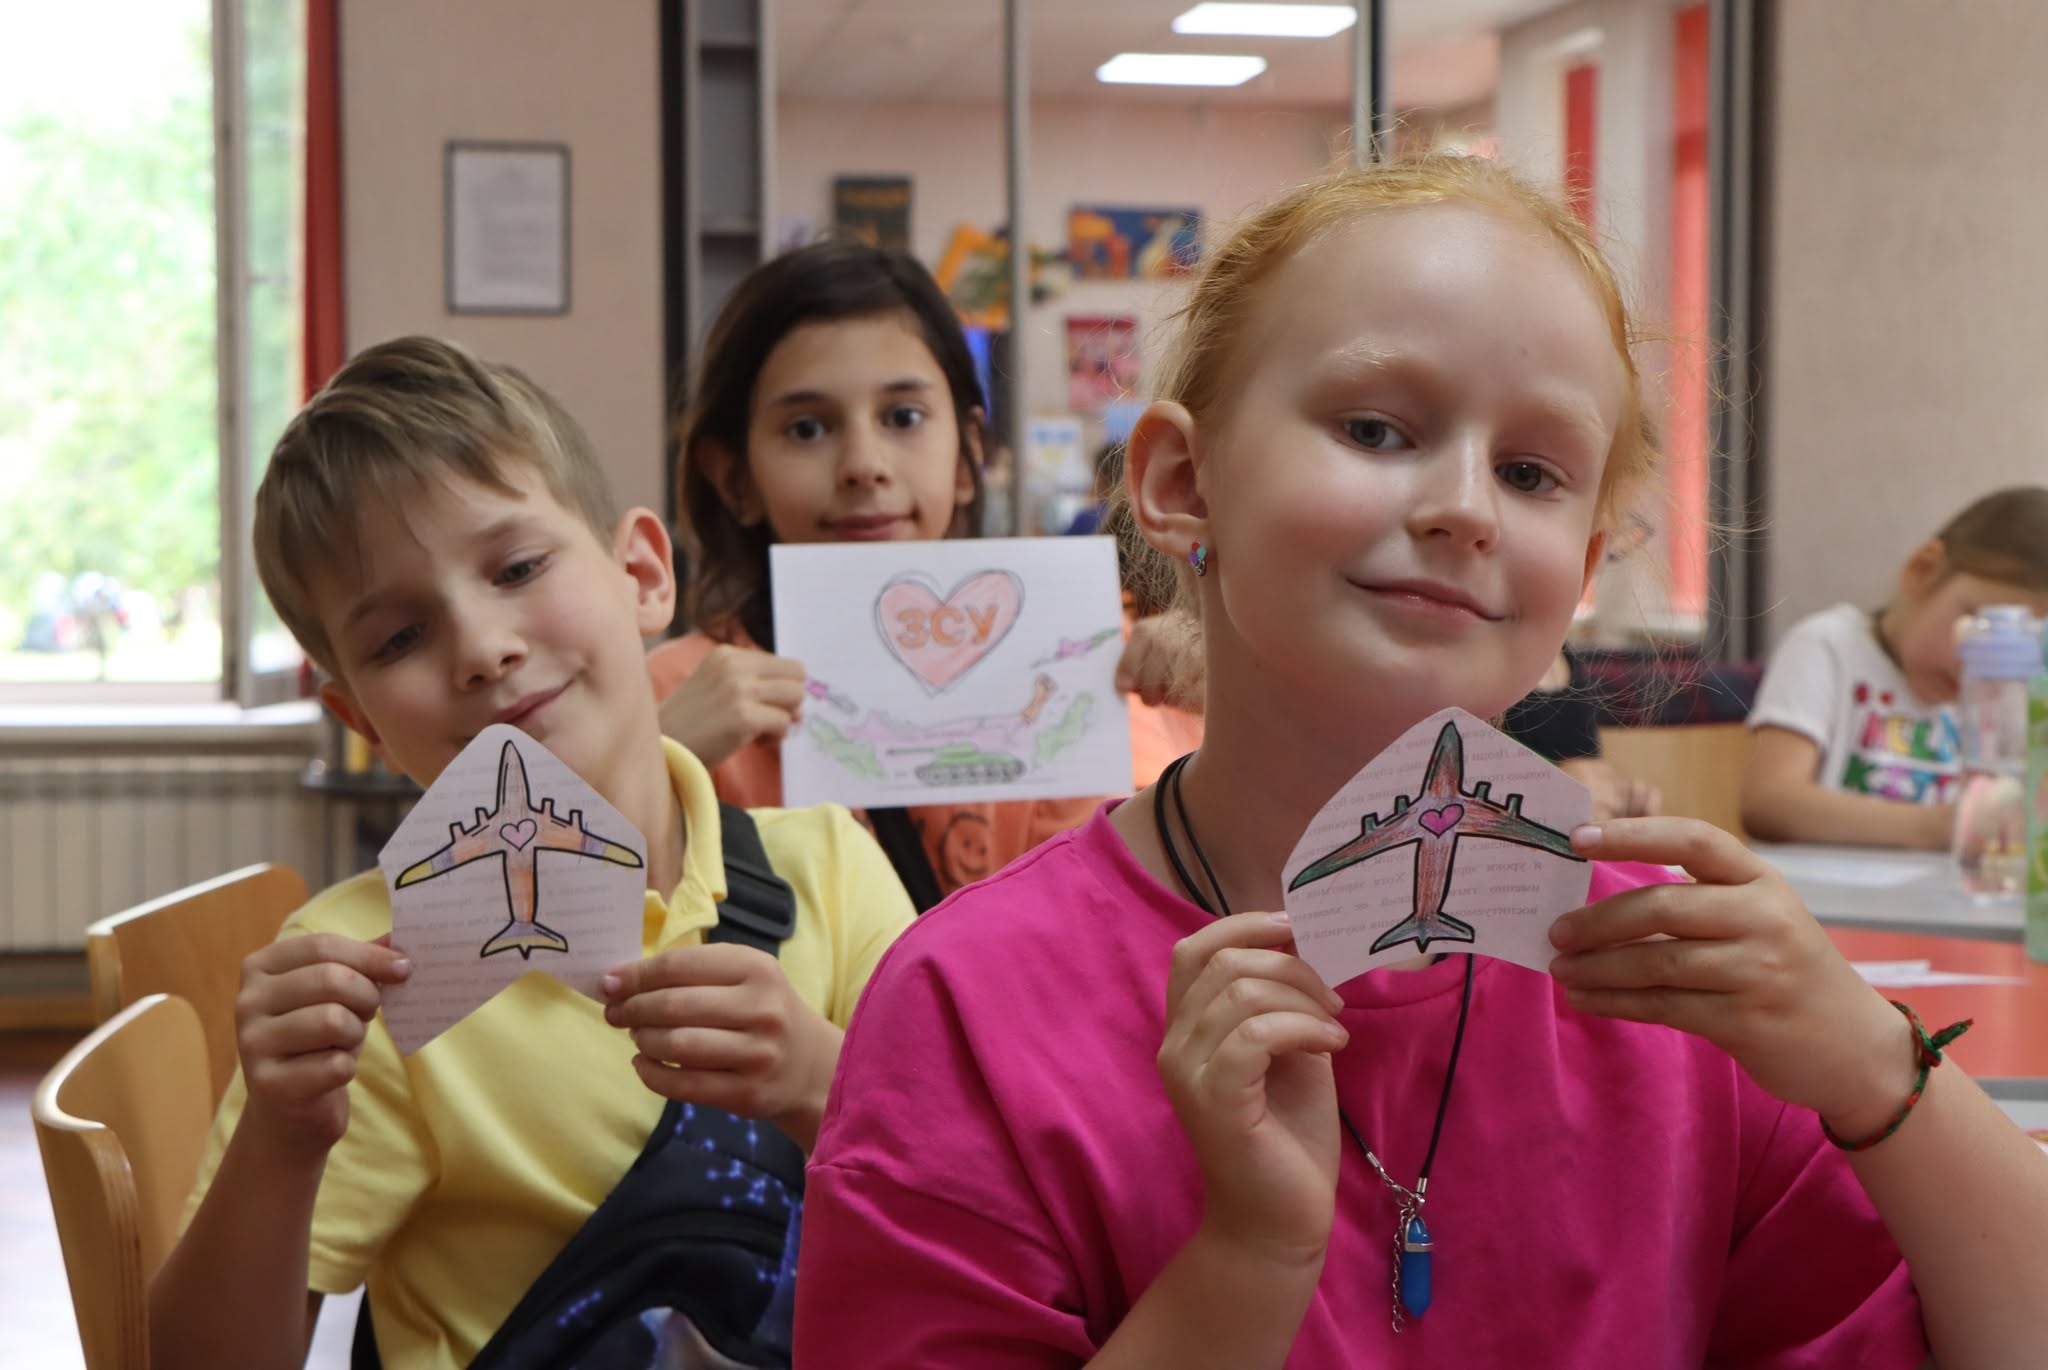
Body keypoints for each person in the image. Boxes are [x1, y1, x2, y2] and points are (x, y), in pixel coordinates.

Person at [792, 157, 2048, 1367]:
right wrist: (1248, 1256)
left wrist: (1872, 1064)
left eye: (1530, 472)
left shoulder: (1669, 986)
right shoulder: (969, 1009)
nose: (1464, 506)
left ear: (1582, 560)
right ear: (1182, 480)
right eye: (1375, 428)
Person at [149, 337, 913, 1369]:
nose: (481, 647)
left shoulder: (829, 866)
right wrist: (280, 1143)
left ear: (643, 574)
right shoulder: (367, 977)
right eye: (398, 638)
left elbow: (980, 1211)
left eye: (516, 569)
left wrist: (820, 1082)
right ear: (360, 717)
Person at [649, 240, 1200, 905]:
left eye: (903, 417)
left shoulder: (1088, 660)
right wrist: (649, 773)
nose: (864, 465)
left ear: (968, 454)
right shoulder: (668, 700)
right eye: (806, 429)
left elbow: (1140, 910)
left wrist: (1234, 710)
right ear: (734, 478)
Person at [1742, 486, 2048, 849]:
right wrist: (1935, 828)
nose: (1987, 663)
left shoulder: (1997, 696)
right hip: (1819, 884)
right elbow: (1768, 802)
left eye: (2019, 648)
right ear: (1924, 569)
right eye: (1976, 626)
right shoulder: (1827, 647)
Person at [1503, 648, 1662, 821]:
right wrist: (1556, 789)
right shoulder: (1491, 659)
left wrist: (1619, 790)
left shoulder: (1566, 654)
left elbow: (1586, 760)